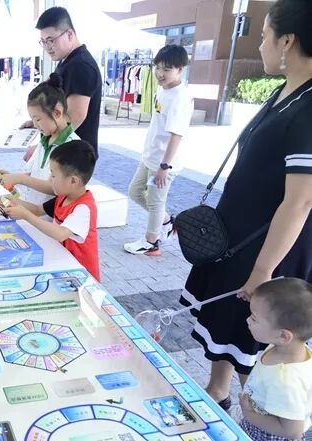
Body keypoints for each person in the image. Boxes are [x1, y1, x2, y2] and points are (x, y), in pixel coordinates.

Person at [179, 0, 312, 412]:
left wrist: (262, 271)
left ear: (287, 41)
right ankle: (218, 392)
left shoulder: (309, 106)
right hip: (238, 239)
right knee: (229, 327)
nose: (259, 44)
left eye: (265, 35)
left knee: (260, 332)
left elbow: (301, 200)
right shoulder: (286, 91)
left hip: (267, 250)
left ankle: (266, 419)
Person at [124, 45, 194, 256]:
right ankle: (166, 221)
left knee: (156, 202)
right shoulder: (163, 89)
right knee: (135, 191)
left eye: (167, 69)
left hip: (164, 163)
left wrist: (164, 167)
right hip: (150, 157)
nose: (160, 73)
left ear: (180, 69)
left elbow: (176, 135)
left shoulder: (180, 98)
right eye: (158, 68)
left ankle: (151, 242)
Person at [1, 140, 100, 281]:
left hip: (82, 275)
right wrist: (15, 202)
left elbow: (61, 234)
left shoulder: (84, 208)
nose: (50, 181)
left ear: (73, 181)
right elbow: (37, 210)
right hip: (64, 264)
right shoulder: (63, 197)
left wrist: (25, 215)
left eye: (53, 176)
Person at [21, 7, 102, 158]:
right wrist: (39, 121)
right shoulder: (67, 61)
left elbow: (74, 117)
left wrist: (42, 148)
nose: (47, 47)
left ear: (69, 34)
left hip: (75, 157)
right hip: (65, 151)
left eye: (51, 40)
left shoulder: (81, 66)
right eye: (43, 42)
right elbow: (58, 109)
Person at [240, 278, 312, 440]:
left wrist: (249, 414)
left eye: (254, 318)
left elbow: (293, 431)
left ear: (283, 336)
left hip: (266, 435)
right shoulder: (285, 348)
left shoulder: (286, 382)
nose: (248, 320)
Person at [0, 73, 79, 206]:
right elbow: (35, 176)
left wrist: (19, 179)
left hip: (50, 216)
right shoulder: (45, 140)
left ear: (57, 113)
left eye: (38, 119)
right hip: (33, 211)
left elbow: (53, 187)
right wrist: (10, 178)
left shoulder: (72, 146)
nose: (34, 124)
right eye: (32, 119)